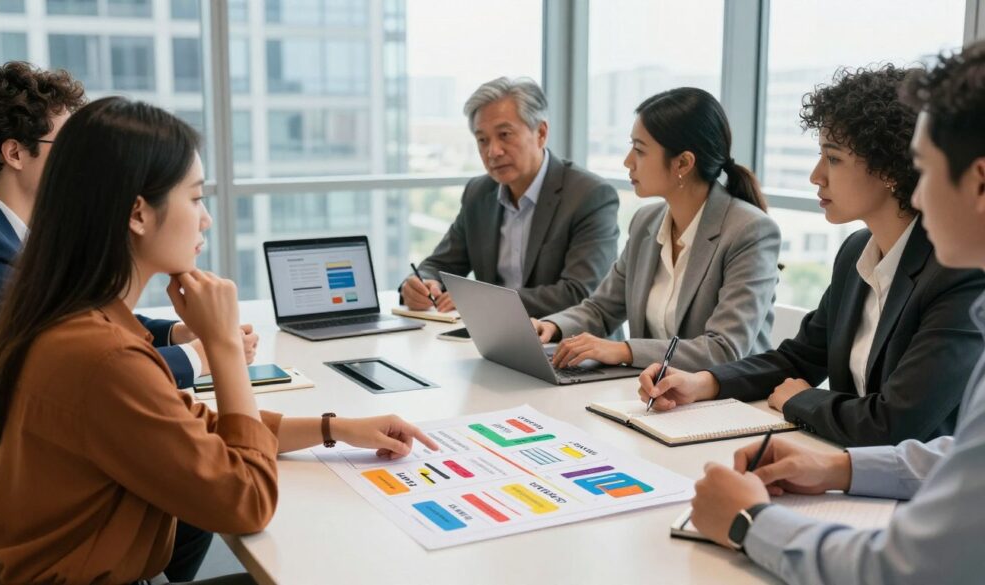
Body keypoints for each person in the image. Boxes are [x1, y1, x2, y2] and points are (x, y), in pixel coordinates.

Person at [0, 97, 438, 585]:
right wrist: (223, 347)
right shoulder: (100, 355)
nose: (205, 219)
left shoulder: (77, 317)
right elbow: (248, 502)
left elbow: (196, 428)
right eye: (194, 198)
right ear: (137, 214)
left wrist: (335, 428)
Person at [684, 42, 985, 584]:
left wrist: (750, 522)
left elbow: (906, 567)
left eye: (924, 168)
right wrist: (838, 467)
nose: (815, 176)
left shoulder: (963, 277)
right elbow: (961, 455)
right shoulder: (856, 254)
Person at [0, 61, 250, 579]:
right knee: (196, 499)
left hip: (35, 488)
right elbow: (92, 367)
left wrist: (328, 429)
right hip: (4, 481)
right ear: (14, 154)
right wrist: (209, 351)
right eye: (69, 146)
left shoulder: (16, 236)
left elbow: (80, 317)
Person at [639, 66, 985, 447]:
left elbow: (896, 421)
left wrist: (801, 400)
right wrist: (702, 383)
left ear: (888, 167)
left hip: (909, 491)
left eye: (833, 159)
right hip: (838, 463)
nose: (816, 176)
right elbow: (797, 358)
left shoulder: (958, 271)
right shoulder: (856, 251)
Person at [531, 88, 781, 370]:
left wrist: (624, 350)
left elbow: (723, 349)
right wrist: (552, 326)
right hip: (655, 397)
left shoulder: (750, 231)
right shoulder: (645, 222)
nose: (628, 161)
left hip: (730, 403)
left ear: (683, 163)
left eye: (639, 150)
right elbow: (601, 309)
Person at [400, 76, 619, 318]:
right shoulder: (479, 193)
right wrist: (421, 283)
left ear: (541, 133)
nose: (493, 151)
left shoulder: (589, 195)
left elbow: (579, 293)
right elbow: (440, 265)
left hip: (571, 346)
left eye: (505, 135)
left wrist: (484, 300)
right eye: (482, 140)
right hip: (497, 340)